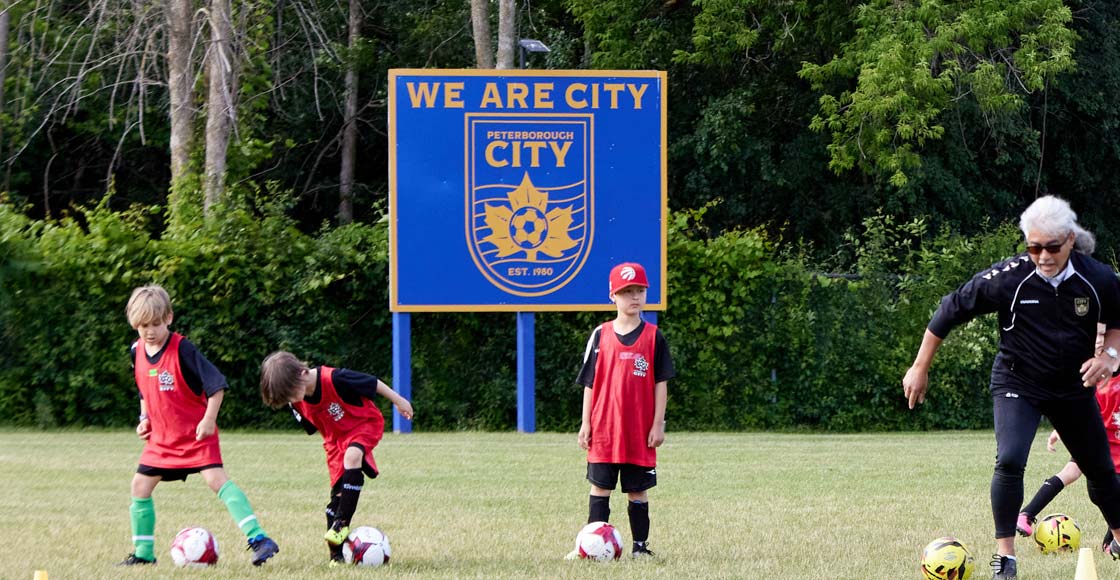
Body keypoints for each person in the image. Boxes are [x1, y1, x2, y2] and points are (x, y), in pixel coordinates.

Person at [902, 195, 1120, 580]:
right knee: (1011, 458)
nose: (1043, 256)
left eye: (1052, 247)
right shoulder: (1010, 277)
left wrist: (1110, 358)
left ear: (1070, 239)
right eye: (1034, 247)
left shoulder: (1098, 277)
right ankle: (1005, 558)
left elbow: (1118, 320)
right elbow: (950, 309)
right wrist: (920, 367)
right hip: (1017, 381)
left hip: (1072, 388)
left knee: (1101, 471)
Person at [118, 285, 279, 566]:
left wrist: (209, 420)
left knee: (217, 482)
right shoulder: (136, 351)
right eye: (143, 326)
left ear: (169, 317)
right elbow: (144, 389)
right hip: (162, 440)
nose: (150, 331)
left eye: (156, 324)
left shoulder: (183, 350)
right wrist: (144, 419)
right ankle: (144, 555)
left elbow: (217, 387)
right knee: (140, 486)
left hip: (195, 435)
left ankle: (260, 539)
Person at [259, 350, 414, 564]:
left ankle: (342, 523)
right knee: (333, 505)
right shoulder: (295, 400)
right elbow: (314, 425)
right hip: (335, 443)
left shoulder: (335, 378)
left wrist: (399, 401)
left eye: (291, 394)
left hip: (363, 424)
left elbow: (373, 383)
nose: (292, 400)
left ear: (303, 373)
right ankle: (336, 557)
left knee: (352, 457)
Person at [567, 262, 675, 559]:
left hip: (639, 431)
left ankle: (640, 547)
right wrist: (585, 423)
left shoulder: (654, 337)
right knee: (600, 488)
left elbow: (661, 383)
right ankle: (589, 548)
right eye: (627, 292)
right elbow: (589, 383)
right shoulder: (600, 336)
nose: (634, 297)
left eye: (639, 290)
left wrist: (658, 424)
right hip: (603, 428)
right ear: (612, 295)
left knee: (637, 491)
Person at [1017, 330, 1120, 551]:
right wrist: (1060, 430)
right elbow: (1075, 410)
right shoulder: (1087, 377)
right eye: (1097, 335)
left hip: (1109, 446)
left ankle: (1112, 541)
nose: (1099, 340)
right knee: (1073, 473)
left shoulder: (1110, 371)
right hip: (1098, 445)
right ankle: (1027, 514)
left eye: (1104, 335)